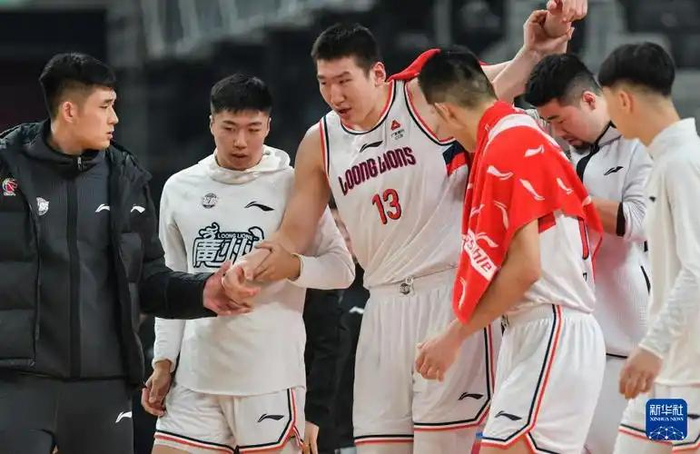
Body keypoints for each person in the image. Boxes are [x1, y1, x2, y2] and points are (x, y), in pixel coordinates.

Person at [223, 3, 586, 452]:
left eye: (344, 81)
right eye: (324, 83)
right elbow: (292, 235)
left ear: (377, 74)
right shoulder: (320, 142)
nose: (334, 95)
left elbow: (501, 82)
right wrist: (248, 266)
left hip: (447, 295)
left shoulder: (422, 96)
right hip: (382, 307)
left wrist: (539, 45)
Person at [0, 52, 238, 454]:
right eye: (105, 106)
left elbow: (148, 279)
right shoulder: (5, 167)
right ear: (70, 110)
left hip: (105, 387)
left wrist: (203, 292)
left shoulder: (125, 177)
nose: (115, 118)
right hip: (19, 385)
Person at [141, 74, 354, 454]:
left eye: (253, 129)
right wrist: (163, 360)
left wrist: (294, 267)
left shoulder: (294, 185)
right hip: (196, 377)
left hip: (269, 380)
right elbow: (170, 283)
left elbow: (342, 268)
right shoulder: (179, 187)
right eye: (229, 128)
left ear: (268, 126)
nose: (241, 141)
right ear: (211, 123)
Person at [414, 48, 605, 453]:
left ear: (445, 110)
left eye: (433, 117)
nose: (437, 128)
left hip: (550, 328)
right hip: (539, 330)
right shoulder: (510, 135)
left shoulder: (509, 143)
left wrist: (453, 336)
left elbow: (526, 268)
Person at [524, 53, 653, 453]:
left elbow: (640, 220)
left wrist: (566, 197)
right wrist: (533, 50)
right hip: (579, 347)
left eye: (560, 120)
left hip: (641, 350)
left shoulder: (640, 140)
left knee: (667, 445)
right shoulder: (552, 138)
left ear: (590, 100)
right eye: (547, 121)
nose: (556, 132)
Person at [597, 42, 700, 453]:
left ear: (623, 100)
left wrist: (654, 346)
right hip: (664, 372)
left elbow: (697, 270)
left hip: (687, 375)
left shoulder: (683, 163)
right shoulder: (667, 161)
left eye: (607, 101)